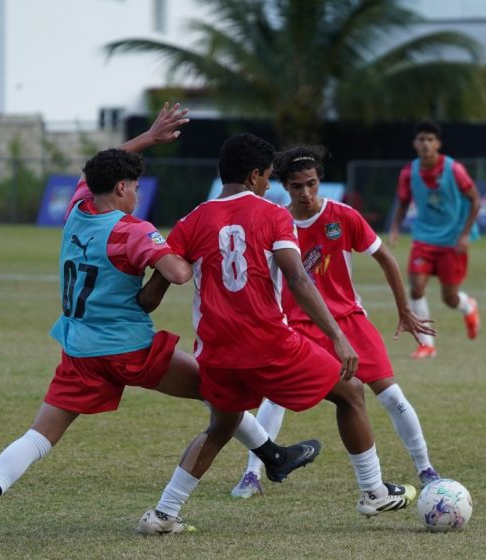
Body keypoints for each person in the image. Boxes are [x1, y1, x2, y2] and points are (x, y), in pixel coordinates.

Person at [0, 104, 320, 549]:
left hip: (78, 350)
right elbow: (178, 273)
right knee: (218, 387)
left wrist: (148, 138)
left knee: (37, 437)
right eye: (133, 186)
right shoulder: (131, 230)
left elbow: (98, 167)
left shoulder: (77, 209)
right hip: (129, 348)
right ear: (120, 188)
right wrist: (181, 246)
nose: (137, 193)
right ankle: (272, 454)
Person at [134, 134, 415, 535]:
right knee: (351, 393)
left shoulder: (191, 220)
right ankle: (373, 492)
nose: (270, 184)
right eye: (267, 176)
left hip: (215, 353)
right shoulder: (272, 215)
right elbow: (298, 277)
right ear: (253, 176)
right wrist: (337, 336)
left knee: (221, 427)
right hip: (269, 345)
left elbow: (152, 295)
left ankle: (163, 515)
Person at [231, 146, 442, 500]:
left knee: (391, 395)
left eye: (312, 184)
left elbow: (386, 258)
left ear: (320, 181)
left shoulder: (343, 217)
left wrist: (404, 310)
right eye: (297, 186)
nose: (306, 193)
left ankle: (426, 469)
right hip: (297, 325)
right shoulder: (273, 222)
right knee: (274, 398)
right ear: (285, 186)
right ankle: (252, 473)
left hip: (350, 322)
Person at [387, 120, 482, 359]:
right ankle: (426, 344)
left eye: (430, 139)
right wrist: (396, 227)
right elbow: (403, 201)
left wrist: (464, 235)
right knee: (416, 289)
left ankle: (468, 305)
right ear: (414, 144)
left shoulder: (455, 170)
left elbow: (476, 200)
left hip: (451, 240)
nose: (426, 144)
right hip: (423, 238)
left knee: (449, 298)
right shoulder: (409, 172)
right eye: (421, 140)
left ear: (438, 143)